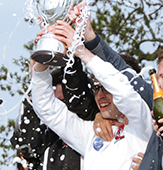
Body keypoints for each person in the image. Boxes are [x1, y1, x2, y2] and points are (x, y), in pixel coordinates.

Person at [30, 27, 153, 169]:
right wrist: (42, 61)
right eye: (96, 88)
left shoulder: (145, 124)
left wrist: (82, 51)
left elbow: (125, 93)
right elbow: (47, 109)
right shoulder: (92, 133)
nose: (100, 95)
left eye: (107, 88)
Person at [11, 63, 97, 170]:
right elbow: (26, 146)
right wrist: (34, 96)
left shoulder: (92, 129)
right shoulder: (44, 136)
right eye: (56, 102)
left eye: (65, 102)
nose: (60, 108)